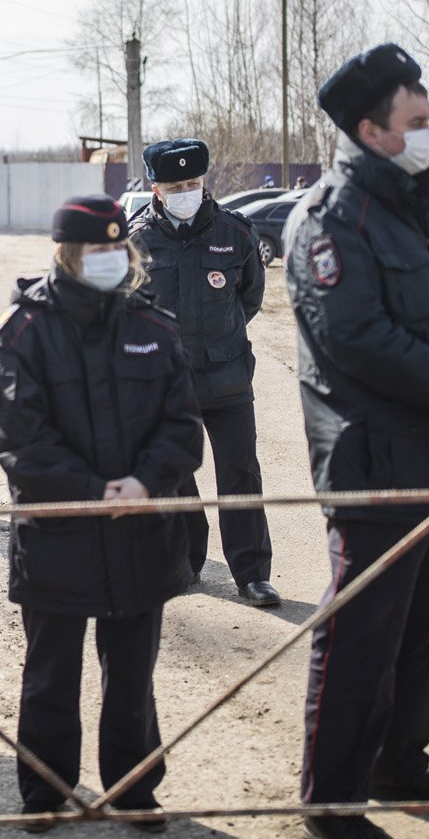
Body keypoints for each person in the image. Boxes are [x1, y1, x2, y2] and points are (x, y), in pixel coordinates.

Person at [283, 44, 429, 838]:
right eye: (416, 121)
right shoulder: (331, 218)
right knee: (359, 641)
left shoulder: (421, 211)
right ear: (371, 127)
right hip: (374, 465)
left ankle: (399, 765)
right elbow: (358, 337)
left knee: (420, 628)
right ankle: (331, 803)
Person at [0, 194, 202, 833]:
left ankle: (135, 789)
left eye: (118, 247)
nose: (109, 258)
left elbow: (183, 427)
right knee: (51, 671)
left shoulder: (154, 326)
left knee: (132, 674)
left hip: (142, 530)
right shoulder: (24, 331)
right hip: (58, 532)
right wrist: (92, 488)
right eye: (95, 249)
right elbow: (20, 442)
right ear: (67, 254)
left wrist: (143, 481)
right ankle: (46, 793)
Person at [128, 138, 278, 607]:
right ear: (156, 188)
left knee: (240, 475)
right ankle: (186, 564)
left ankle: (251, 574)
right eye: (176, 185)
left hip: (228, 378)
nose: (187, 191)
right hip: (165, 384)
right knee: (174, 474)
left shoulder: (235, 232)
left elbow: (250, 297)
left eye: (193, 182)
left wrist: (221, 339)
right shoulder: (135, 240)